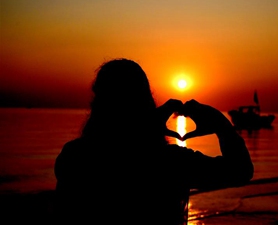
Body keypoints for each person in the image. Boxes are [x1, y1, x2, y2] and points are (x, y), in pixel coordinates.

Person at [53, 58, 254, 225]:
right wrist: (221, 124)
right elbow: (241, 171)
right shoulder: (170, 163)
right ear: (147, 102)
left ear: (98, 105)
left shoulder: (74, 156)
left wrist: (145, 125)